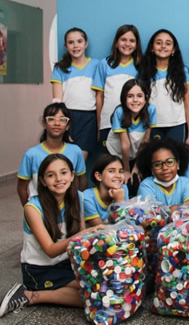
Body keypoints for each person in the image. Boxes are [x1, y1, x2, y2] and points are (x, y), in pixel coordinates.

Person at [0, 154, 102, 317]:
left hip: (66, 263)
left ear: (72, 175)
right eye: (50, 175)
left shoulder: (79, 197)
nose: (59, 179)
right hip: (40, 268)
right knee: (93, 299)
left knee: (102, 288)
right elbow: (50, 250)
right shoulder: (32, 208)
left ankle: (57, 288)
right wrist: (82, 234)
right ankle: (29, 295)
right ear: (42, 181)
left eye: (63, 173)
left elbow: (80, 243)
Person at [17, 103, 87, 206]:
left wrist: (76, 205)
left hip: (68, 210)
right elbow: (22, 188)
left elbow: (81, 181)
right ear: (44, 123)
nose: (57, 123)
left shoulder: (75, 151)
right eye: (51, 119)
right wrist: (30, 212)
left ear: (68, 126)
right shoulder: (31, 154)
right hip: (41, 210)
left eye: (62, 120)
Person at [137, 29, 189, 150]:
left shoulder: (183, 72)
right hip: (153, 126)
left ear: (173, 50)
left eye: (168, 43)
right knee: (155, 161)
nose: (163, 46)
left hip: (177, 125)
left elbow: (188, 104)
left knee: (174, 160)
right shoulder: (144, 72)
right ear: (152, 48)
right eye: (159, 43)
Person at [50, 27, 99, 160]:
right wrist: (63, 123)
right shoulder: (60, 68)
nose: (76, 45)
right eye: (71, 42)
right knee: (64, 161)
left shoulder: (97, 65)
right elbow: (57, 101)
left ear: (86, 44)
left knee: (80, 161)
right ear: (66, 46)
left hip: (89, 118)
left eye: (79, 41)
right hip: (67, 117)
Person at [92, 24, 142, 147]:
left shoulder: (140, 66)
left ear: (136, 45)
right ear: (116, 42)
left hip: (132, 124)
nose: (127, 44)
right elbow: (100, 96)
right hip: (107, 122)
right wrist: (99, 125)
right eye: (123, 40)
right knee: (108, 161)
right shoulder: (104, 64)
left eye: (132, 41)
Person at [105, 78, 156, 188]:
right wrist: (126, 170)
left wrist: (137, 167)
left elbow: (145, 141)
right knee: (124, 181)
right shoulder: (119, 112)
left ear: (146, 97)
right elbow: (125, 144)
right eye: (130, 96)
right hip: (117, 152)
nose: (135, 100)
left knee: (138, 181)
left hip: (136, 151)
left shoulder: (151, 110)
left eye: (139, 96)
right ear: (124, 98)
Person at [136, 138, 189, 211]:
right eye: (158, 164)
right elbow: (152, 213)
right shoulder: (146, 186)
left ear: (178, 164)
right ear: (151, 169)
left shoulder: (184, 182)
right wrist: (172, 210)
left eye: (170, 162)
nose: (164, 168)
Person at [83, 154, 128, 226]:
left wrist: (120, 200)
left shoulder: (123, 189)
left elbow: (126, 223)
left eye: (121, 171)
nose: (118, 175)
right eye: (111, 171)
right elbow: (102, 229)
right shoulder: (87, 197)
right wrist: (119, 201)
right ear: (98, 176)